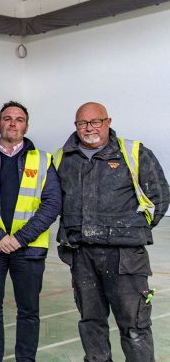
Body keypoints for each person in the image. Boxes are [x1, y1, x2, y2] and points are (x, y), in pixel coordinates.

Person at [55, 102, 169, 362]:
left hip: (125, 258)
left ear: (108, 122)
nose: (89, 128)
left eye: (96, 122)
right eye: (83, 123)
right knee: (91, 322)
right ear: (76, 126)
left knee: (134, 326)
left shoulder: (134, 152)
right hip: (81, 256)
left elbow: (159, 197)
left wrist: (131, 231)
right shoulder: (63, 158)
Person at [0, 101, 61, 362]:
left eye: (19, 119)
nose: (13, 123)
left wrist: (19, 238)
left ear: (26, 126)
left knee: (28, 311)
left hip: (29, 251)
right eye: (7, 118)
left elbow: (52, 204)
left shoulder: (43, 159)